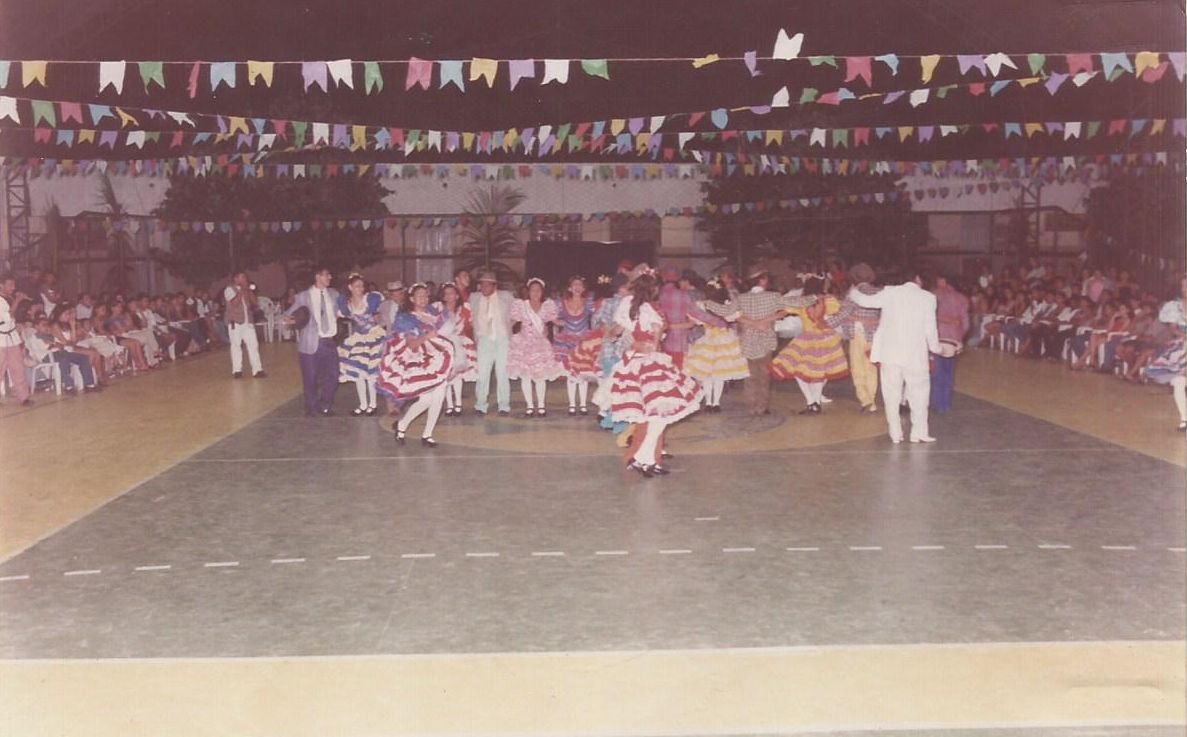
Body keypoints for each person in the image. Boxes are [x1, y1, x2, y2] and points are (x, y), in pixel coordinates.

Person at [610, 274, 703, 477]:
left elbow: (618, 331)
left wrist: (625, 340)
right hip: (650, 361)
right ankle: (644, 458)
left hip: (634, 361)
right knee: (660, 413)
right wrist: (652, 341)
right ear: (653, 290)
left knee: (655, 414)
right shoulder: (651, 308)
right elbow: (656, 334)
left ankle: (645, 459)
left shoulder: (629, 304)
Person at [701, 268, 816, 416]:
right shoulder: (773, 296)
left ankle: (752, 406)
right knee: (764, 376)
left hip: (747, 340)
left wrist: (707, 303)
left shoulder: (742, 298)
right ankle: (762, 407)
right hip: (766, 339)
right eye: (766, 278)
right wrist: (814, 297)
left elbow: (726, 310)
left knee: (750, 376)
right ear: (762, 280)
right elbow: (795, 302)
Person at [848, 269, 941, 443]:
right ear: (918, 278)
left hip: (889, 353)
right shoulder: (928, 298)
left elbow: (865, 301)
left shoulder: (890, 292)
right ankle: (919, 433)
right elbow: (931, 328)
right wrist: (937, 348)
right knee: (919, 395)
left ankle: (895, 434)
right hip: (915, 354)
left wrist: (853, 290)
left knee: (891, 395)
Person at [378, 283, 454, 447]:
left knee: (439, 397)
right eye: (419, 295)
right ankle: (402, 426)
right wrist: (427, 337)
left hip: (438, 359)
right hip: (419, 361)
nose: (423, 298)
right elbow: (412, 345)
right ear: (412, 299)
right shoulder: (407, 318)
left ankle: (427, 435)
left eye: (425, 295)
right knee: (426, 400)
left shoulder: (434, 314)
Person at [769, 278, 849, 414]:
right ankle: (815, 402)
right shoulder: (827, 300)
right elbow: (837, 308)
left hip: (807, 339)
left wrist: (767, 319)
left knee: (798, 371)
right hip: (826, 339)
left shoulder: (801, 302)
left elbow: (784, 310)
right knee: (820, 372)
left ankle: (811, 402)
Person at [284, 266, 343, 417]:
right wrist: (291, 320)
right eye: (326, 275)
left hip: (329, 342)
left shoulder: (334, 294)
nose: (330, 277)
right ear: (318, 277)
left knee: (333, 376)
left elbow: (342, 311)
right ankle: (311, 408)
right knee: (310, 378)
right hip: (310, 343)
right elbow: (286, 316)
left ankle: (325, 405)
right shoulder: (303, 296)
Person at [825, 263, 882, 414]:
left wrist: (827, 323)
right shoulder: (878, 292)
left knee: (858, 368)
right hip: (874, 335)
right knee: (871, 368)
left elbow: (843, 313)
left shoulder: (854, 294)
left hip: (857, 334)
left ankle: (866, 400)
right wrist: (874, 321)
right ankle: (872, 399)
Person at [683, 280, 748, 412]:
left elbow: (695, 319)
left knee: (707, 374)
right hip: (725, 340)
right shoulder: (726, 305)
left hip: (707, 339)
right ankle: (716, 404)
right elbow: (734, 317)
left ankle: (708, 403)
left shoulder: (701, 305)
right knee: (720, 374)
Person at [508, 278, 565, 417]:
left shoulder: (547, 306)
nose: (535, 293)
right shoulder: (522, 305)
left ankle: (541, 406)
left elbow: (556, 321)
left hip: (540, 345)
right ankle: (529, 406)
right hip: (523, 344)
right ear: (528, 291)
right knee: (526, 376)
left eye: (538, 290)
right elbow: (511, 321)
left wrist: (571, 323)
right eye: (533, 290)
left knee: (540, 376)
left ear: (542, 292)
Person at [337, 274, 386, 416]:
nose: (361, 288)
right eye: (357, 286)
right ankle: (363, 404)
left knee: (371, 374)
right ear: (350, 287)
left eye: (362, 286)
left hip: (373, 337)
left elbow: (379, 312)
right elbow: (340, 315)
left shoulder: (369, 299)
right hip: (358, 339)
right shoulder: (346, 304)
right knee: (359, 373)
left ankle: (373, 404)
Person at [468, 270, 514, 416]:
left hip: (502, 338)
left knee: (502, 372)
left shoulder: (506, 296)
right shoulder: (474, 298)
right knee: (482, 373)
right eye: (482, 284)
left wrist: (509, 327)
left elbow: (517, 313)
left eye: (488, 285)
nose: (484, 287)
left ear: (495, 286)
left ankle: (504, 405)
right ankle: (480, 405)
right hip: (484, 339)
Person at [552, 276, 600, 415]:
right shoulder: (562, 303)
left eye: (580, 284)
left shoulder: (588, 302)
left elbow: (598, 316)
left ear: (583, 288)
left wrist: (596, 331)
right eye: (574, 284)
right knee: (571, 374)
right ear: (570, 288)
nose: (577, 287)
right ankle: (572, 405)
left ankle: (583, 405)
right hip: (567, 341)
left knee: (583, 373)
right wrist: (558, 322)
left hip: (583, 341)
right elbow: (550, 315)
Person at [1144, 278, 1187, 430]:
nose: (1185, 288)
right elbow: (1173, 328)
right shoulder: (1174, 306)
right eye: (1183, 286)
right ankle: (1184, 419)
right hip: (1181, 347)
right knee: (1179, 381)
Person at [931, 274, 970, 413]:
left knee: (937, 372)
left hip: (938, 338)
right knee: (949, 373)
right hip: (953, 341)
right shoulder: (962, 299)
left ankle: (937, 403)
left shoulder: (934, 296)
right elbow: (966, 324)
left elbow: (929, 317)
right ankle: (945, 405)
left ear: (944, 282)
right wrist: (959, 338)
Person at [438, 282, 478, 416]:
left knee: (458, 374)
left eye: (452, 293)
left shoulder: (464, 308)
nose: (449, 296)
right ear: (443, 296)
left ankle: (458, 404)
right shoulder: (438, 309)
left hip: (460, 343)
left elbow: (472, 324)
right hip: (444, 344)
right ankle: (449, 405)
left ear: (457, 295)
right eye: (446, 294)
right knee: (446, 375)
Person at [223, 271, 264, 378]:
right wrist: (241, 290)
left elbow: (255, 303)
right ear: (236, 279)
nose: (245, 279)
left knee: (253, 345)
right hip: (235, 322)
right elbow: (234, 303)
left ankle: (257, 370)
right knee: (236, 345)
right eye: (243, 277)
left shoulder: (246, 289)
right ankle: (237, 370)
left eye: (245, 277)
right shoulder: (229, 289)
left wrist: (249, 291)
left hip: (248, 322)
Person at [0, 274, 32, 405]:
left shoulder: (10, 298)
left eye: (14, 285)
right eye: (10, 285)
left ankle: (23, 397)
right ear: (1, 285)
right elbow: (8, 316)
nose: (13, 288)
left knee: (18, 368)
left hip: (12, 337)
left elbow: (14, 318)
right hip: (1, 337)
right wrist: (18, 301)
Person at [657, 266, 696, 369]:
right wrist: (671, 326)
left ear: (663, 278)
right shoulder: (684, 295)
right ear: (678, 279)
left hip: (660, 342)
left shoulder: (657, 295)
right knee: (679, 372)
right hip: (680, 341)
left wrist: (667, 327)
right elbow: (692, 322)